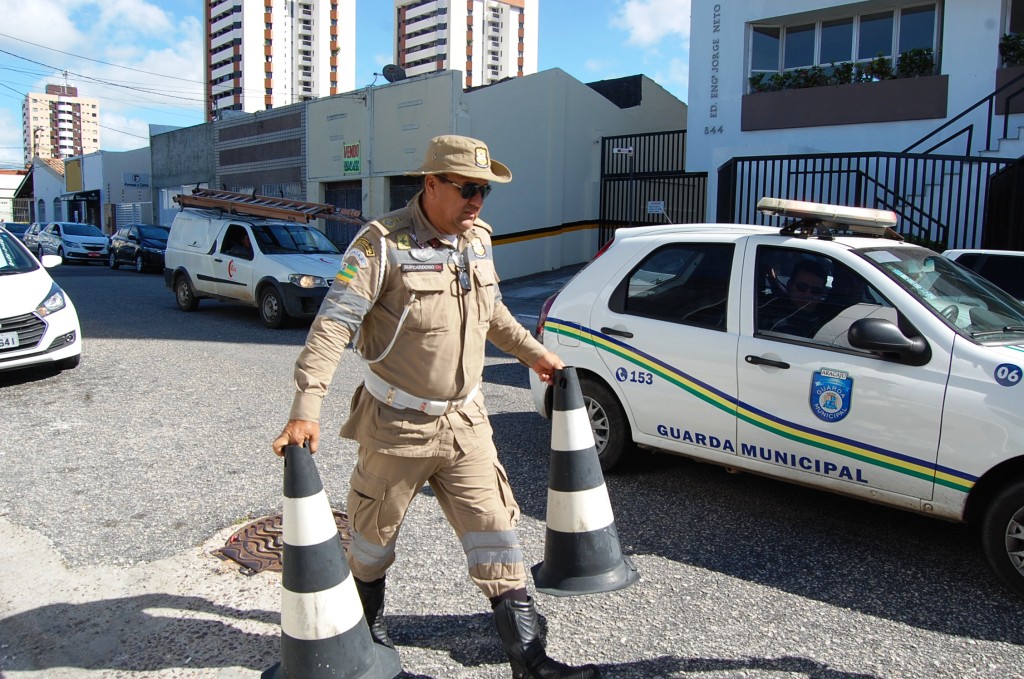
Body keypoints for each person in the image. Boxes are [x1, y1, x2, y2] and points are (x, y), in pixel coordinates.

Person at [272, 134, 600, 679]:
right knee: (372, 543)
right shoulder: (381, 246)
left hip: (466, 422)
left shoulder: (478, 240)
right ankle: (364, 644)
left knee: (496, 532)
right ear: (431, 185)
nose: (477, 201)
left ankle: (531, 661)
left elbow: (492, 314)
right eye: (467, 189)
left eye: (484, 193)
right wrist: (306, 407)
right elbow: (334, 325)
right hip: (397, 424)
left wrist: (535, 353)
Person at [760, 257, 830, 337]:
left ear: (822, 294)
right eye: (802, 287)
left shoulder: (827, 320)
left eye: (815, 290)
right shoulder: (768, 311)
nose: (807, 295)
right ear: (789, 285)